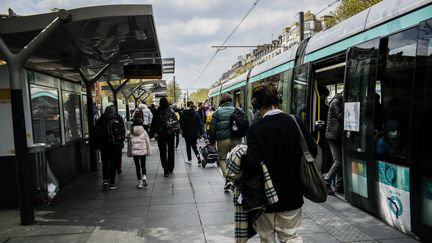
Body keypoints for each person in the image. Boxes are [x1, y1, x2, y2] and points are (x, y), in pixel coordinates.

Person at [244, 84, 317, 242]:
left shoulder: (255, 129)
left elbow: (253, 164)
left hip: (265, 198)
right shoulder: (295, 122)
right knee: (291, 236)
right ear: (277, 100)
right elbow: (313, 151)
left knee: (267, 238)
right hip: (292, 194)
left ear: (256, 105)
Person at [209, 93, 242, 191]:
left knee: (222, 159)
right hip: (236, 138)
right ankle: (237, 180)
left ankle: (228, 179)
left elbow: (212, 128)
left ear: (221, 102)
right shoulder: (238, 110)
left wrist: (212, 141)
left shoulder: (217, 113)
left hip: (223, 139)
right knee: (236, 159)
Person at [94, 105, 125, 190]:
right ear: (113, 112)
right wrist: (120, 143)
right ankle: (112, 183)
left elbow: (96, 134)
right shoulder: (117, 119)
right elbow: (122, 132)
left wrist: (96, 145)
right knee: (113, 164)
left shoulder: (100, 120)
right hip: (114, 145)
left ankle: (105, 180)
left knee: (105, 163)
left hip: (103, 146)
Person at [150, 97, 178, 177]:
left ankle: (165, 169)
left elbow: (153, 124)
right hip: (170, 134)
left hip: (161, 134)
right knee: (171, 150)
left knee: (162, 152)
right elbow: (176, 122)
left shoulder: (157, 112)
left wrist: (151, 134)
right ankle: (171, 167)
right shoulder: (171, 111)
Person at [324, 92, 344, 195]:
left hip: (336, 136)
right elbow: (340, 117)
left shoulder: (338, 101)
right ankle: (325, 181)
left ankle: (339, 184)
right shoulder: (336, 102)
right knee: (338, 162)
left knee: (339, 160)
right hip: (333, 136)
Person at [129, 110, 151, 188]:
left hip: (135, 152)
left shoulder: (131, 132)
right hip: (142, 151)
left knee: (137, 167)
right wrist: (148, 152)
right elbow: (147, 142)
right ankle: (144, 176)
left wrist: (129, 153)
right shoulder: (144, 131)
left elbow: (129, 143)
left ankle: (140, 182)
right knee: (143, 165)